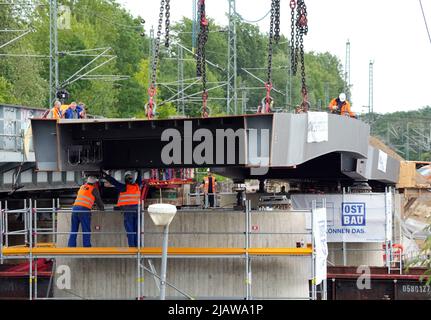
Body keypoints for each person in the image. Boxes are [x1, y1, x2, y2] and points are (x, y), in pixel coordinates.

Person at [103, 170, 142, 247]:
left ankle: (132, 248)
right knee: (137, 230)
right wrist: (139, 171)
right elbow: (139, 179)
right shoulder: (137, 186)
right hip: (137, 211)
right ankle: (138, 248)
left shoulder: (124, 187)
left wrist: (106, 176)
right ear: (132, 180)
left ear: (125, 180)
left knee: (130, 230)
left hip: (128, 211)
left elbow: (114, 182)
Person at [68, 176, 104, 247]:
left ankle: (71, 246)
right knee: (86, 229)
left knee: (74, 229)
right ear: (94, 183)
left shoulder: (82, 187)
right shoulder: (94, 189)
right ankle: (87, 246)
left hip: (75, 209)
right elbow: (98, 200)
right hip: (84, 210)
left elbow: (84, 196)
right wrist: (102, 208)